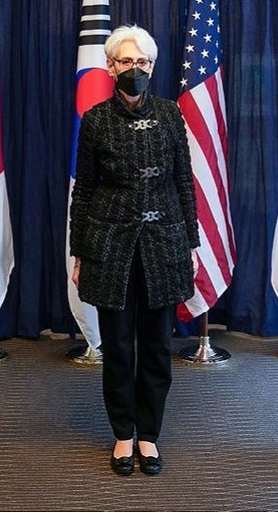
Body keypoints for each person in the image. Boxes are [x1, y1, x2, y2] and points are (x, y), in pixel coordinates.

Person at [69, 25, 200, 476]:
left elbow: (184, 181)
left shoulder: (170, 114)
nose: (135, 68)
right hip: (110, 246)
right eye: (126, 61)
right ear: (110, 66)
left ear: (153, 66)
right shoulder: (95, 120)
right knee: (120, 348)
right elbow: (84, 191)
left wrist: (191, 242)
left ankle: (149, 434)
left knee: (158, 347)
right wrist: (79, 251)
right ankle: (123, 433)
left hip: (164, 243)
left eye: (142, 62)